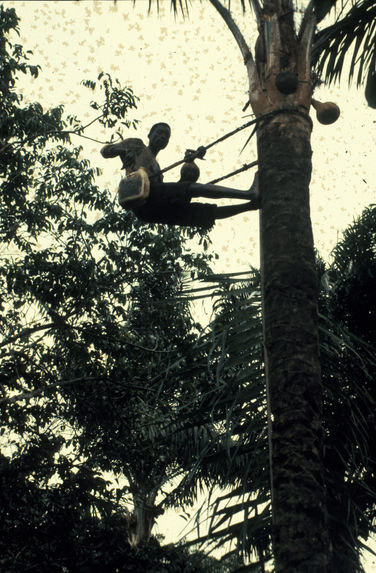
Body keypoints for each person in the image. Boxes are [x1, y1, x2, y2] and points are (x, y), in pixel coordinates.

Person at [100, 122, 259, 229]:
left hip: (150, 209)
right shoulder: (137, 145)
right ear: (149, 134)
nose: (162, 137)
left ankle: (251, 205)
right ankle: (248, 194)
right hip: (139, 199)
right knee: (188, 188)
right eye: (159, 132)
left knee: (197, 213)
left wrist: (191, 161)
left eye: (166, 136)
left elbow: (170, 193)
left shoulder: (157, 169)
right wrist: (124, 151)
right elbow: (105, 151)